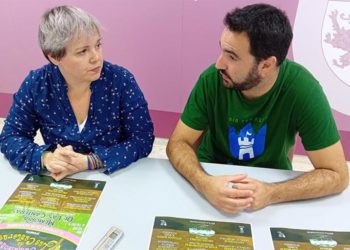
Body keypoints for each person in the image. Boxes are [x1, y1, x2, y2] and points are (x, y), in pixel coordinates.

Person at [166, 3, 349, 214]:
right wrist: (204, 183)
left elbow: (338, 174)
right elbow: (178, 143)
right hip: (211, 178)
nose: (219, 64)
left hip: (270, 184)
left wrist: (272, 193)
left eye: (232, 56)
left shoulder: (303, 89)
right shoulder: (211, 79)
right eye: (222, 50)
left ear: (266, 65)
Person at [0, 6, 154, 181]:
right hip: (58, 180)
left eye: (98, 45)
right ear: (54, 57)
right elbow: (11, 136)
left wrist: (91, 161)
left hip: (117, 179)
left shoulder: (121, 81)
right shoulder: (36, 85)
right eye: (82, 51)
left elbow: (142, 140)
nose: (96, 57)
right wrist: (46, 158)